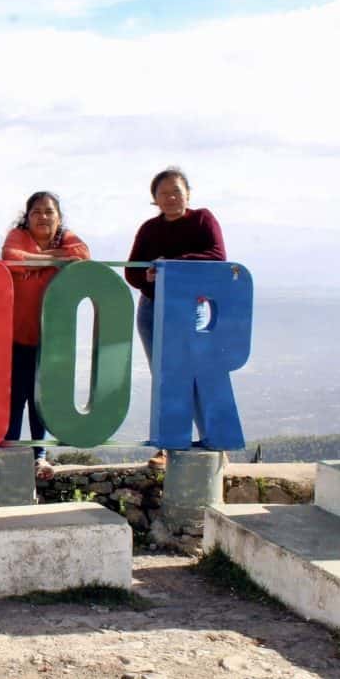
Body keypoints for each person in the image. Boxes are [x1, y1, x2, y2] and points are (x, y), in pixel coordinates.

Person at [124, 167, 226, 469]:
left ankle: (214, 441)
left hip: (189, 308)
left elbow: (217, 255)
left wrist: (171, 265)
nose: (170, 198)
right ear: (154, 199)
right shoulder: (149, 228)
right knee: (165, 380)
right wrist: (148, 276)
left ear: (188, 194)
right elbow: (132, 271)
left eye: (176, 191)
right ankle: (168, 445)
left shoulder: (202, 219)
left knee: (194, 376)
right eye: (163, 193)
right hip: (152, 309)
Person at [1, 192, 90, 480]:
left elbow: (82, 255)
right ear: (27, 217)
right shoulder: (18, 235)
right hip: (15, 336)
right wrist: (55, 259)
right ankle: (9, 453)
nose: (43, 216)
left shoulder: (66, 237)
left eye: (49, 211)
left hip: (49, 339)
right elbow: (12, 258)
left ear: (59, 218)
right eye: (36, 211)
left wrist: (36, 261)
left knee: (41, 399)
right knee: (14, 397)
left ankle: (38, 456)